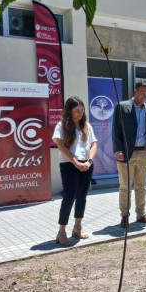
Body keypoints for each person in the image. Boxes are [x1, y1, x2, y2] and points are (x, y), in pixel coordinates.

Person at [112, 81, 146, 228]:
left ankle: (141, 214)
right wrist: (118, 150)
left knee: (141, 186)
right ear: (135, 91)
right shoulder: (122, 107)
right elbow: (116, 131)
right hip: (127, 153)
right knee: (125, 186)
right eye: (142, 93)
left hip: (144, 153)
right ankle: (124, 216)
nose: (145, 96)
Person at [52, 96, 97, 246]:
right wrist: (75, 162)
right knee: (69, 197)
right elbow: (61, 146)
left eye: (82, 110)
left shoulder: (87, 126)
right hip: (69, 164)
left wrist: (89, 161)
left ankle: (77, 228)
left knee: (82, 196)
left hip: (86, 164)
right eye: (77, 110)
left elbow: (94, 144)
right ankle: (61, 231)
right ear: (69, 111)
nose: (80, 113)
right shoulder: (62, 125)